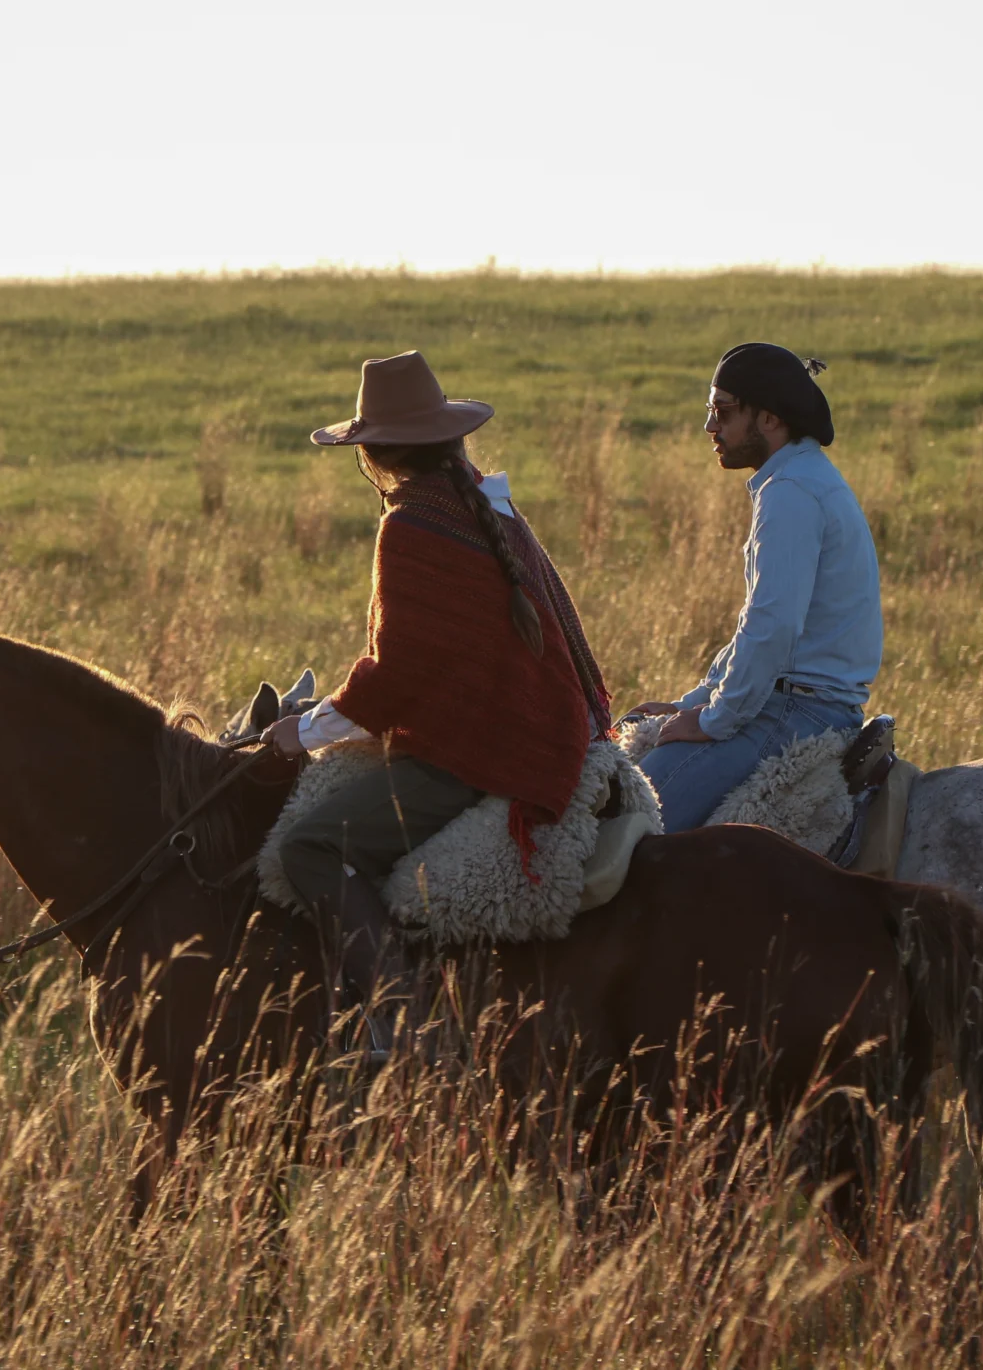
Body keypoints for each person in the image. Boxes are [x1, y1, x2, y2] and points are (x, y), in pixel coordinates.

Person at [263, 350, 612, 1056]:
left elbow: (395, 679)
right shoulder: (491, 503)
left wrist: (298, 733)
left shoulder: (410, 526)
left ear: (377, 456)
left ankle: (407, 1016)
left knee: (307, 844)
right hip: (542, 732)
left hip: (477, 756)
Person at [632, 343, 883, 833]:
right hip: (798, 702)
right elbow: (760, 627)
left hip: (794, 714)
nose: (711, 428)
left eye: (723, 412)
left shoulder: (789, 494)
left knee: (634, 822)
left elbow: (772, 629)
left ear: (769, 419)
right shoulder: (800, 480)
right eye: (710, 411)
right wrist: (690, 703)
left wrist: (709, 721)